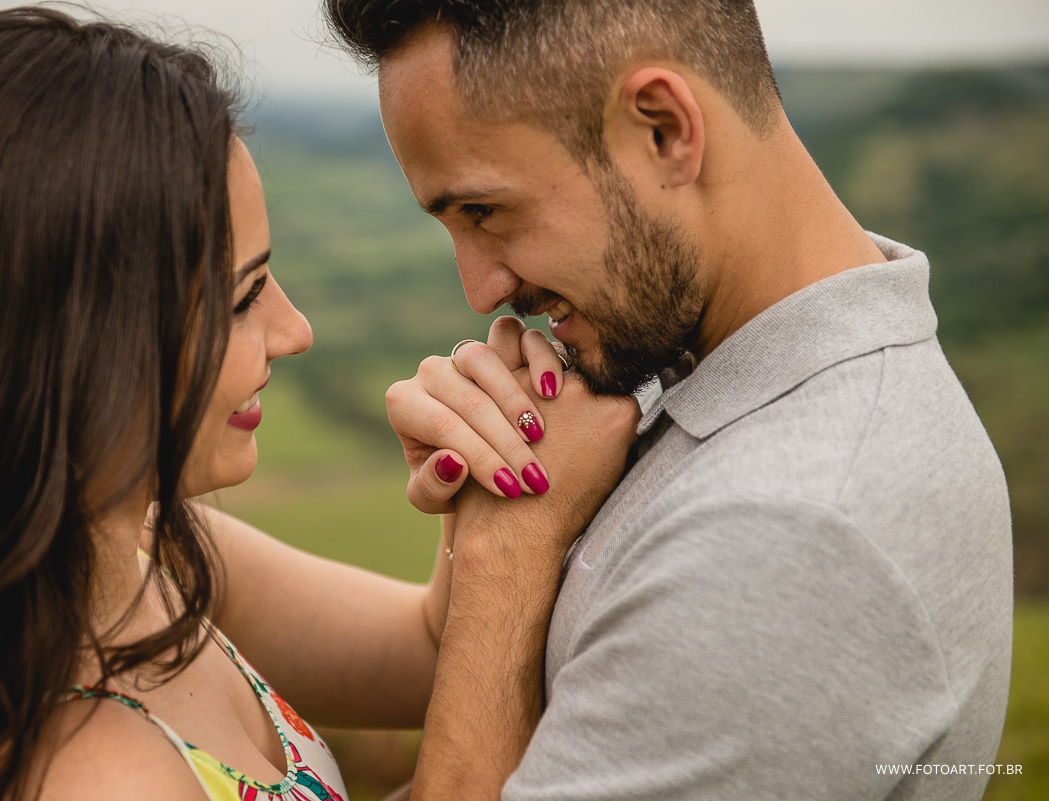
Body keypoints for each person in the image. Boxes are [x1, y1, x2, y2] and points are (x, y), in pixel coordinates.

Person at [0, 7, 640, 800]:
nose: (294, 330)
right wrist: (515, 552)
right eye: (242, 297)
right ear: (63, 352)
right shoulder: (86, 774)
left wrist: (492, 465)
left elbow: (433, 650)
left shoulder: (145, 553)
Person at [324, 1, 1015, 799]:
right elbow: (440, 659)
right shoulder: (686, 360)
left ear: (663, 129)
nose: (482, 291)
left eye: (484, 210)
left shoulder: (787, 537)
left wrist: (506, 553)